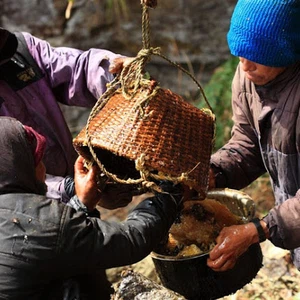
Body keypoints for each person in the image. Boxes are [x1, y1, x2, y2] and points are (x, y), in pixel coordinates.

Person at [0, 116, 183, 299]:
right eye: (38, 159)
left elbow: (56, 246)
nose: (44, 168)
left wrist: (81, 204)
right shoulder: (41, 221)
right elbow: (132, 239)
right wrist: (172, 193)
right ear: (22, 167)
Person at [206, 0, 300, 272]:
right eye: (238, 54)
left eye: (254, 56)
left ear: (284, 51)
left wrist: (258, 230)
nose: (244, 66)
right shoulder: (248, 77)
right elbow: (248, 142)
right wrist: (214, 172)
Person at [0, 27, 128, 202]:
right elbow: (9, 183)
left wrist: (116, 74)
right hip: (24, 212)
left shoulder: (22, 50)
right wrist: (71, 189)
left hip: (73, 186)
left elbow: (77, 69)